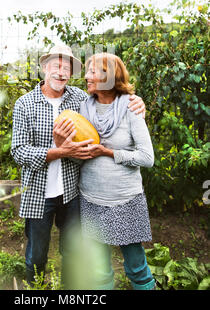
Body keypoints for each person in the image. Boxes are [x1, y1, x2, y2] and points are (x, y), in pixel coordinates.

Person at [11, 45, 146, 287]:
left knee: (73, 253)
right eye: (56, 66)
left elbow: (112, 97)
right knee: (36, 256)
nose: (61, 72)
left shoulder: (80, 99)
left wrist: (137, 102)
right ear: (44, 68)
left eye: (67, 68)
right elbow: (19, 152)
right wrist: (58, 152)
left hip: (73, 193)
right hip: (38, 193)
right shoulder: (25, 103)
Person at [54, 52, 155, 290]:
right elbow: (81, 158)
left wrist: (108, 153)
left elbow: (147, 158)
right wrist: (64, 148)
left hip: (125, 200)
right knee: (100, 273)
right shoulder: (83, 108)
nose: (86, 76)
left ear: (109, 77)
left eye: (92, 72)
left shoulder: (131, 106)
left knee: (136, 267)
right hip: (91, 200)